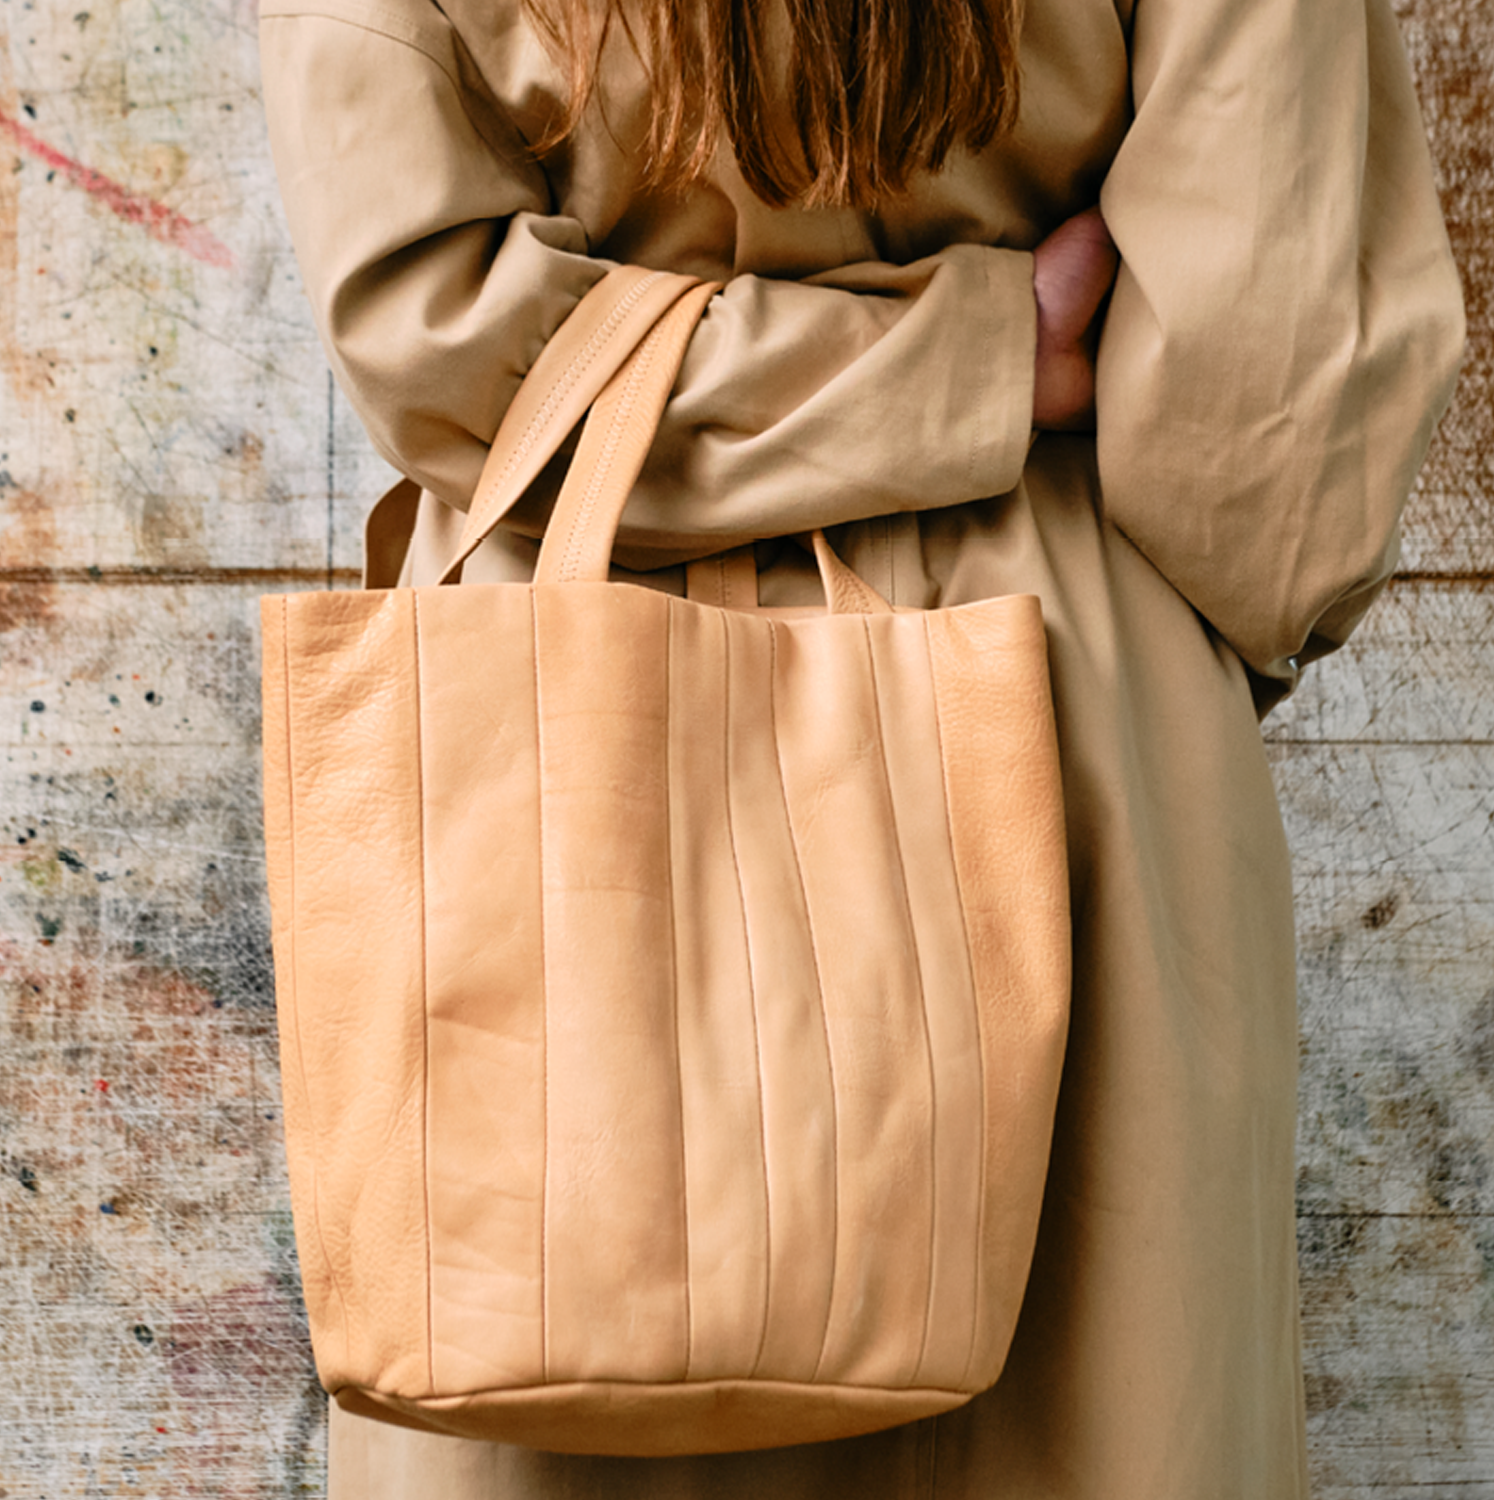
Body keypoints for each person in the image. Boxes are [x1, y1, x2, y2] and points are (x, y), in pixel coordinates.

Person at [257, 0, 1465, 1494]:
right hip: (1066, 734)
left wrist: (900, 371)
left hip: (565, 784)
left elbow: (428, 331)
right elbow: (1266, 456)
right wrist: (977, 359)